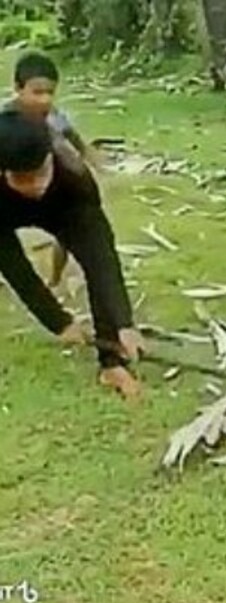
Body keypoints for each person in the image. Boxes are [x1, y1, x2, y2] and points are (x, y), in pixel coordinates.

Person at [0, 110, 143, 400]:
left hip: (64, 209)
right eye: (22, 179)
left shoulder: (74, 176)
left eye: (40, 172)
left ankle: (111, 365)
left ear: (51, 155)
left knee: (96, 266)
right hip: (5, 209)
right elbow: (13, 265)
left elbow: (102, 260)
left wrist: (123, 323)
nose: (35, 186)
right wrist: (57, 320)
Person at [6, 51, 104, 289]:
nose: (45, 100)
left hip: (52, 187)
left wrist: (89, 157)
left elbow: (73, 138)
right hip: (14, 188)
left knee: (67, 232)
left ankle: (55, 277)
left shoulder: (55, 118)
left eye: (50, 93)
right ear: (18, 89)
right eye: (37, 92)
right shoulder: (5, 120)